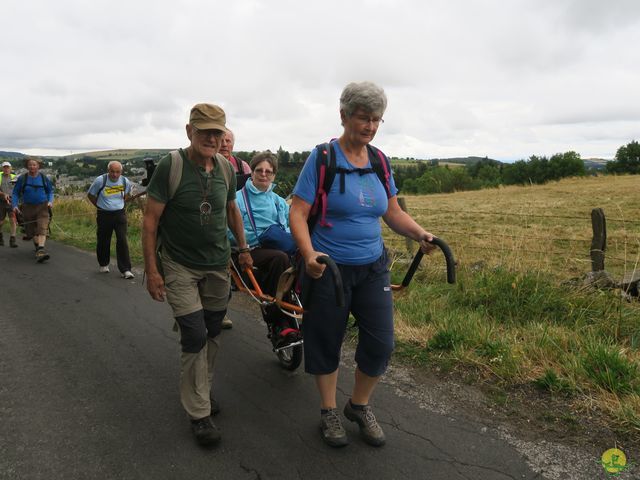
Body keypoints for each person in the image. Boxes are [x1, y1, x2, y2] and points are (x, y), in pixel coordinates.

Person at [289, 81, 437, 448]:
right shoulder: (322, 158)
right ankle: (328, 411)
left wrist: (420, 234)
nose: (369, 127)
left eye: (376, 120)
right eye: (363, 118)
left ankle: (358, 404)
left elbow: (391, 210)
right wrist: (308, 255)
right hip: (329, 269)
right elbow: (298, 211)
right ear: (344, 116)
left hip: (372, 267)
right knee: (325, 339)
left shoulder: (379, 160)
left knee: (382, 342)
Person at [142, 103, 253, 447]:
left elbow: (231, 209)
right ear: (189, 131)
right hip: (178, 264)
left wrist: (245, 249)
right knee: (194, 333)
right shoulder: (170, 166)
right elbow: (150, 221)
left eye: (216, 132)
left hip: (218, 263)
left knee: (213, 329)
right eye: (203, 131)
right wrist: (152, 270)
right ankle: (199, 412)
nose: (211, 137)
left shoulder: (225, 168)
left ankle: (200, 391)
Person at [229, 151, 297, 345]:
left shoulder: (278, 201)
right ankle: (279, 324)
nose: (264, 174)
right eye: (259, 170)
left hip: (278, 248)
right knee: (279, 258)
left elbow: (289, 228)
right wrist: (258, 237)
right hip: (247, 251)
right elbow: (228, 232)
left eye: (269, 171)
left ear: (274, 175)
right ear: (252, 172)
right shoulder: (237, 199)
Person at [218, 129, 251, 329]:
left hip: (236, 220)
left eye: (228, 140)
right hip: (214, 222)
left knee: (225, 272)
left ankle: (220, 312)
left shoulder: (242, 166)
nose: (224, 144)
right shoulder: (208, 163)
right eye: (221, 140)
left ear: (233, 144)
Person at [87, 161, 135, 278]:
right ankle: (103, 264)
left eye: (117, 172)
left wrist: (124, 200)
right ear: (108, 171)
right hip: (104, 214)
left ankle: (126, 270)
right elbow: (90, 194)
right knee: (104, 239)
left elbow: (127, 195)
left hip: (119, 214)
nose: (114, 175)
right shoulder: (100, 180)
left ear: (121, 172)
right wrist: (99, 206)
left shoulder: (124, 181)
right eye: (112, 172)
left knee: (122, 240)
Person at [12, 157, 54, 263]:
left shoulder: (44, 178)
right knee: (32, 231)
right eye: (30, 165)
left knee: (42, 227)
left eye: (34, 165)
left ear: (38, 166)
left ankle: (41, 250)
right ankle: (38, 248)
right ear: (27, 166)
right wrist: (14, 205)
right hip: (27, 207)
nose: (32, 167)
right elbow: (15, 193)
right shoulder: (22, 178)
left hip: (43, 207)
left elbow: (50, 191)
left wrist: (50, 201)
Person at [0, 161, 18, 248]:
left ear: (11, 168)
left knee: (13, 220)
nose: (6, 169)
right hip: (1, 202)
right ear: (2, 168)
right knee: (1, 222)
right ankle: (0, 236)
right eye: (4, 167)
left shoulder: (14, 177)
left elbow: (18, 190)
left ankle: (12, 240)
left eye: (8, 167)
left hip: (11, 201)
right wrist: (3, 194)